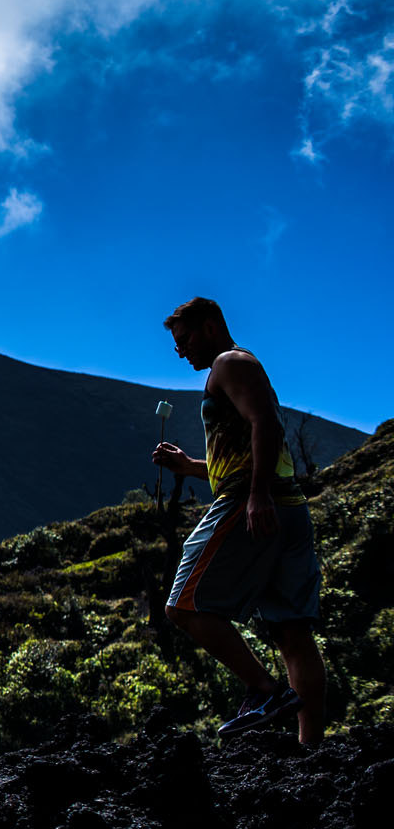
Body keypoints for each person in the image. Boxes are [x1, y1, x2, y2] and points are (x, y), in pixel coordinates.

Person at [152, 297, 326, 744]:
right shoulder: (241, 367)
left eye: (184, 339)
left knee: (182, 605)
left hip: (251, 501)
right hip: (286, 506)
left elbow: (264, 423)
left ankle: (264, 690)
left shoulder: (228, 363)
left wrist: (256, 495)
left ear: (210, 327)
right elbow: (249, 446)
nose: (180, 351)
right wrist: (190, 466)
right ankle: (311, 750)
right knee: (292, 631)